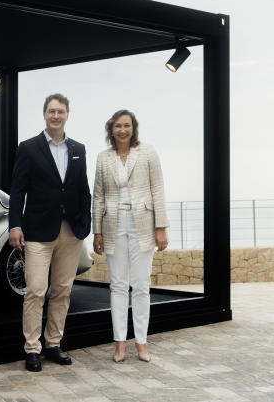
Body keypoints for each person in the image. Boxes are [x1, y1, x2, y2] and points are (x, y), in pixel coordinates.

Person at [9, 94, 92, 372]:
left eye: (61, 111)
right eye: (51, 111)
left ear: (68, 114)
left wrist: (85, 224)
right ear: (44, 114)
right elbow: (18, 191)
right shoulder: (29, 148)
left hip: (71, 232)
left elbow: (83, 191)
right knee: (35, 290)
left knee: (62, 291)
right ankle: (32, 348)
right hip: (37, 232)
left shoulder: (78, 149)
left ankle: (54, 343)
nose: (56, 116)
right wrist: (15, 225)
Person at [92, 109, 169, 363]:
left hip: (143, 224)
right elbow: (99, 196)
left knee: (141, 285)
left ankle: (142, 343)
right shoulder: (103, 158)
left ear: (133, 128)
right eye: (117, 126)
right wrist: (97, 231)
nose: (122, 130)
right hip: (113, 224)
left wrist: (161, 227)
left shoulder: (148, 153)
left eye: (126, 125)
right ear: (111, 129)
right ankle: (120, 343)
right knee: (118, 285)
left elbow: (157, 189)